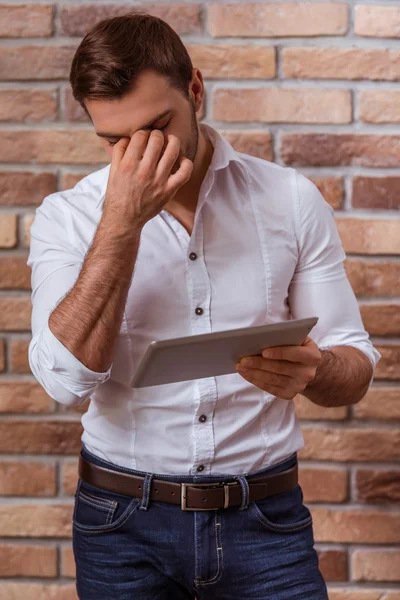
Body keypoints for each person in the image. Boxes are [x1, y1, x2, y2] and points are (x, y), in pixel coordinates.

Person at [27, 12, 381, 600]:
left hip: (265, 520)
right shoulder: (68, 217)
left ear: (195, 88)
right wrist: (122, 224)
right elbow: (65, 382)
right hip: (120, 525)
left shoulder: (290, 200)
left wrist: (318, 369)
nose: (139, 154)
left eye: (157, 126)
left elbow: (356, 369)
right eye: (115, 141)